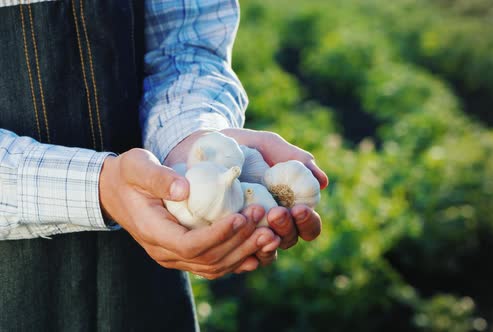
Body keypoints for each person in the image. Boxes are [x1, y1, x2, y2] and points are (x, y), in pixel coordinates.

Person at [0, 0, 328, 331]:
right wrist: (100, 186)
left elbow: (187, 46)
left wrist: (189, 140)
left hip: (152, 257)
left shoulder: (207, 182)